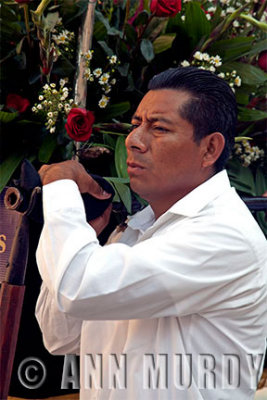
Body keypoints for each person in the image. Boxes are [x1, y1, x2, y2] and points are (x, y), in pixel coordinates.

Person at [36, 66, 267, 399]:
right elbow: (61, 337)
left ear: (210, 149)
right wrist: (81, 234)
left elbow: (78, 289)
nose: (133, 141)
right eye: (135, 125)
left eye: (158, 128)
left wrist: (60, 189)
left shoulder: (224, 235)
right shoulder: (139, 227)